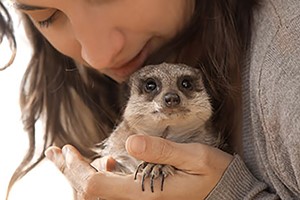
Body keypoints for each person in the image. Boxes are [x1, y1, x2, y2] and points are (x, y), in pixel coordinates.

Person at [1, 0, 299, 199]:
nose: (98, 55)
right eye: (48, 17)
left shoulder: (288, 64)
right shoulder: (72, 84)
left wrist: (232, 193)